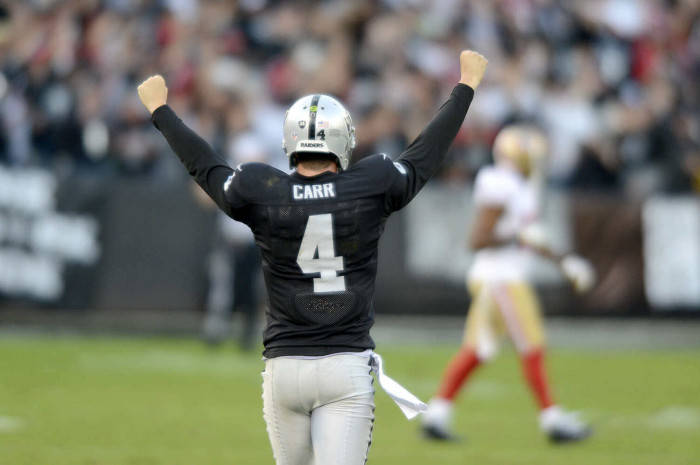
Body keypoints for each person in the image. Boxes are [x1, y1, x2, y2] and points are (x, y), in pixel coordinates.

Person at [137, 50, 488, 465]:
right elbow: (423, 157)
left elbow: (207, 167)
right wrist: (464, 88)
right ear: (343, 140)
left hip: (284, 367)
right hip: (344, 365)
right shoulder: (371, 181)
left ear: (291, 140)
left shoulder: (261, 187)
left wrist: (161, 111)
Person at [421, 125, 596, 444]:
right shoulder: (501, 184)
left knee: (478, 350)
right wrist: (517, 237)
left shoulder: (517, 185)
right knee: (532, 344)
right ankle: (553, 420)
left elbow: (528, 237)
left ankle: (436, 414)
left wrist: (564, 262)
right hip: (501, 280)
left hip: (499, 278)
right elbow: (477, 239)